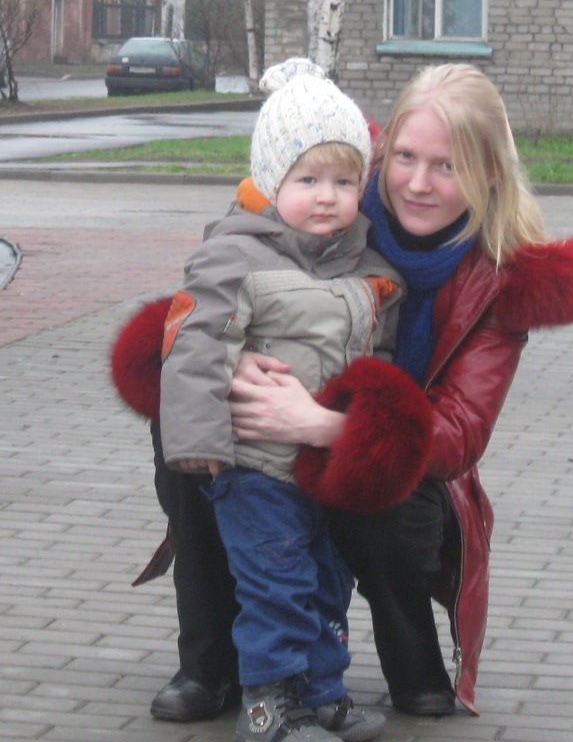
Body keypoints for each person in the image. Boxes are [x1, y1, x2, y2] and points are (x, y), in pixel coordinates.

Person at [112, 63, 573, 723]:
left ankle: (403, 662)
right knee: (192, 422)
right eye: (406, 157)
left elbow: (458, 433)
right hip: (276, 406)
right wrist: (236, 362)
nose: (418, 183)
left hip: (400, 456)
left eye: (448, 166)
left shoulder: (500, 279)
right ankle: (208, 662)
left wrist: (325, 426)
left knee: (386, 496)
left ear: (488, 174)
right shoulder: (333, 183)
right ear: (382, 152)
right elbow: (230, 269)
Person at [158, 58, 404, 742]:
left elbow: (377, 364)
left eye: (344, 182)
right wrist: (200, 443)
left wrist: (357, 429)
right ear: (271, 180)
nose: (327, 197)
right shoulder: (238, 257)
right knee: (276, 585)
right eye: (308, 180)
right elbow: (195, 342)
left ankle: (322, 693)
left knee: (327, 581)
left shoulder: (368, 273)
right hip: (256, 469)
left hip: (322, 472)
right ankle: (267, 708)